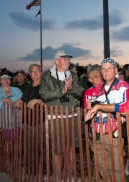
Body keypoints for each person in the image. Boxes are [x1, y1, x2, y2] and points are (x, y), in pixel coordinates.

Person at [85, 58, 129, 182]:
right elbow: (92, 104)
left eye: (110, 68)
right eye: (104, 69)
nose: (106, 71)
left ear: (116, 70)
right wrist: (92, 105)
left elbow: (126, 107)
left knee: (115, 168)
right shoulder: (98, 87)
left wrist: (99, 106)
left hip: (113, 133)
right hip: (96, 132)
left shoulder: (123, 86)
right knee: (101, 166)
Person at [39, 50, 84, 181]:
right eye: (63, 59)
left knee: (71, 149)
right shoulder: (47, 75)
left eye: (68, 59)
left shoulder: (73, 75)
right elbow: (44, 94)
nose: (67, 61)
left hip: (72, 115)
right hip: (56, 116)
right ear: (56, 61)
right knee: (58, 150)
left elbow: (81, 91)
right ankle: (58, 176)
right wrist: (62, 90)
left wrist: (71, 89)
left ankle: (68, 176)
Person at [0, 73, 22, 171]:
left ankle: (17, 160)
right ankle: (7, 161)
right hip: (6, 121)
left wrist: (10, 99)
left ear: (10, 80)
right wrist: (2, 101)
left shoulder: (16, 90)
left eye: (7, 78)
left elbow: (23, 99)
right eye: (3, 79)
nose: (6, 80)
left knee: (18, 142)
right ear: (0, 81)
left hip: (19, 120)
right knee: (8, 143)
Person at [21, 64, 43, 181]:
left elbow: (51, 102)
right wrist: (18, 101)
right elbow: (23, 99)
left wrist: (38, 100)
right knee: (30, 148)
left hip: (41, 122)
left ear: (41, 72)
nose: (35, 73)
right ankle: (31, 173)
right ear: (29, 74)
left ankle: (45, 172)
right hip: (28, 122)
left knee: (44, 148)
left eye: (37, 70)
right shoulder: (29, 86)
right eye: (33, 71)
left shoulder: (46, 86)